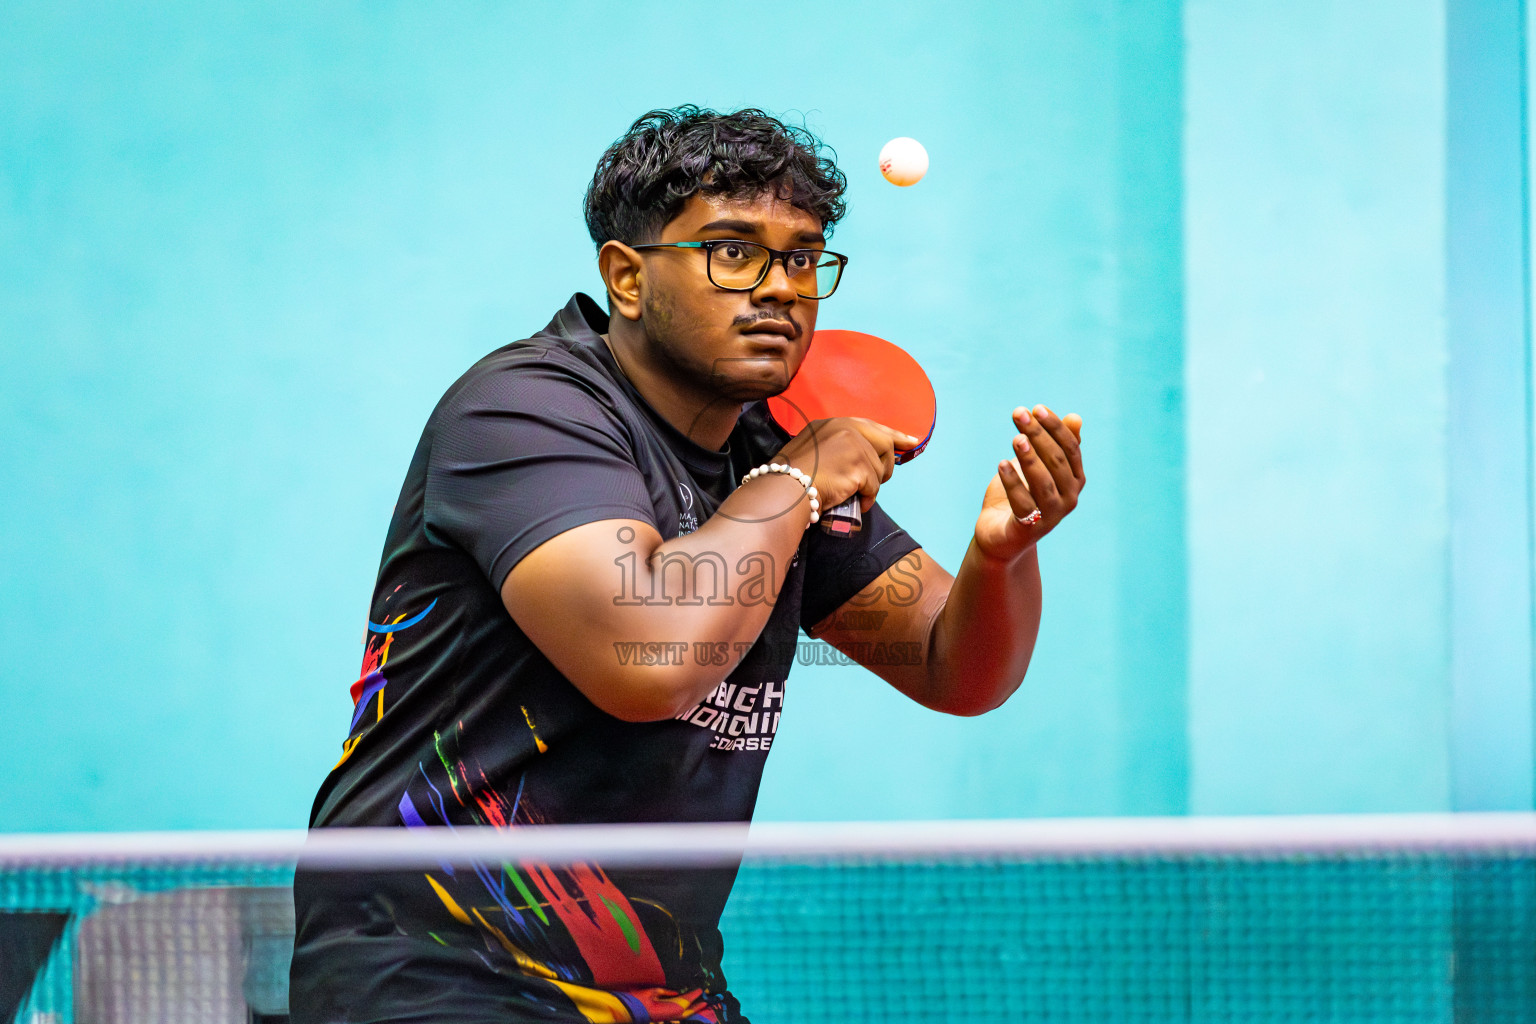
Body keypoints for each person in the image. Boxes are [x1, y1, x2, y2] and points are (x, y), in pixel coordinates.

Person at [289, 105, 1085, 1024]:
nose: (781, 287)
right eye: (733, 252)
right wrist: (797, 479)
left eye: (802, 258)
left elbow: (956, 667)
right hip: (437, 973)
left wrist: (1002, 555)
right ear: (627, 276)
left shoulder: (770, 457)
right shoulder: (523, 412)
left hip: (658, 994)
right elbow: (649, 660)